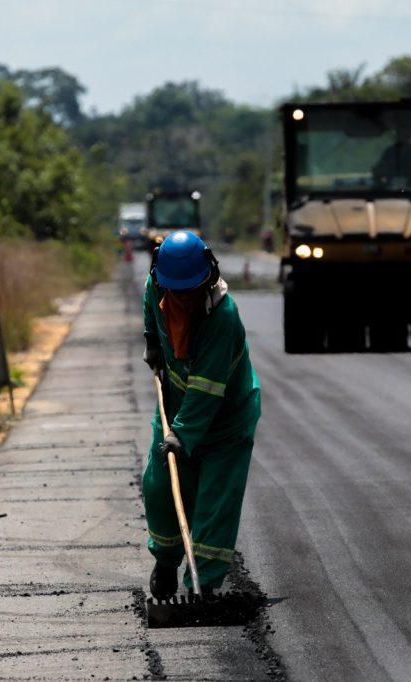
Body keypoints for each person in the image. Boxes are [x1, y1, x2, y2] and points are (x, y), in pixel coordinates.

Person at [141, 230, 261, 597]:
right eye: (174, 290)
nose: (181, 297)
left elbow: (207, 388)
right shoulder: (158, 284)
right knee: (160, 486)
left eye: (189, 290)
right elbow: (151, 307)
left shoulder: (222, 315)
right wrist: (152, 343)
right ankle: (165, 560)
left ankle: (203, 586)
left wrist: (182, 435)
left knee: (214, 501)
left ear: (207, 278)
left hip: (226, 418)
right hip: (178, 406)